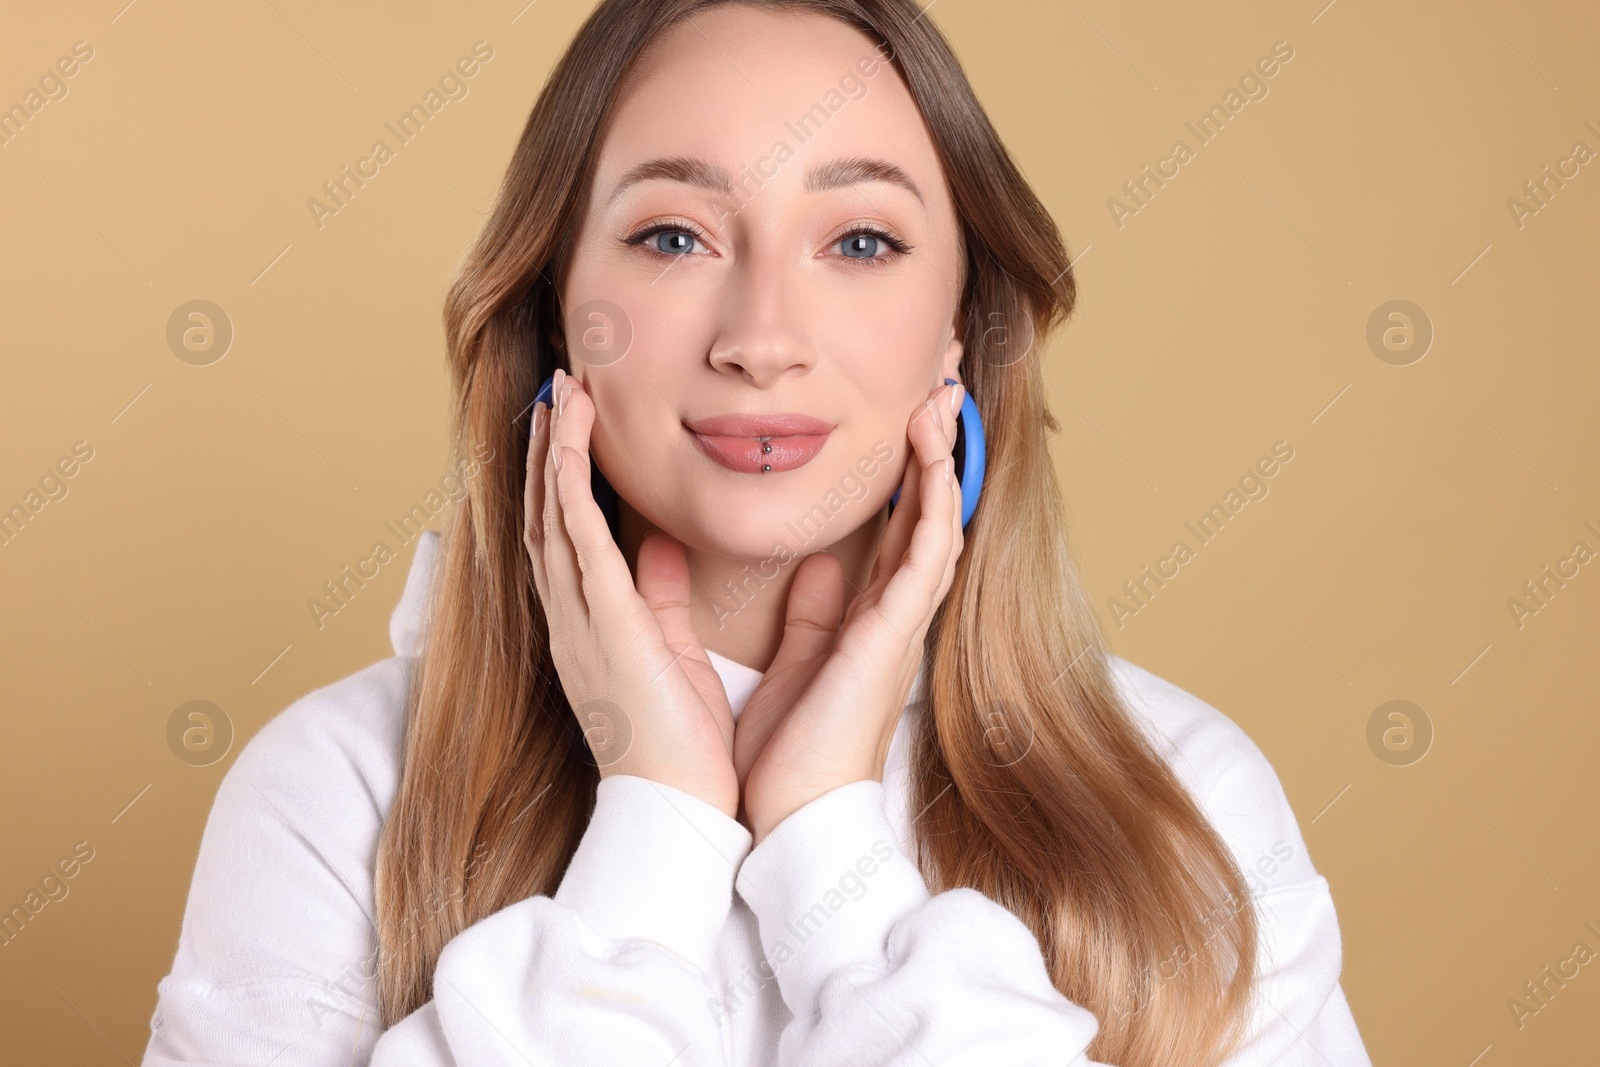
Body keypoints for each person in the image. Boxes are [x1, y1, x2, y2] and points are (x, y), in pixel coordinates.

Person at [142, 1, 1375, 1064]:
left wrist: (826, 845)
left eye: (860, 241)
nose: (762, 333)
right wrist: (657, 818)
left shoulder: (1182, 795)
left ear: (960, 328)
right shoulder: (339, 790)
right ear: (558, 309)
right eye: (673, 236)